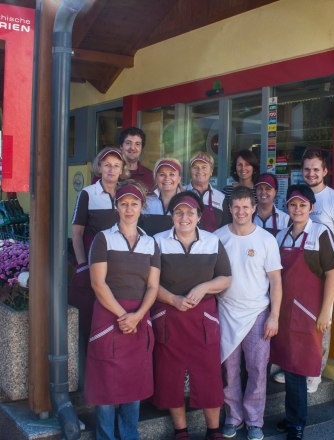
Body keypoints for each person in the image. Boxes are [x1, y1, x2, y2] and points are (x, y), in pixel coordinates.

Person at [152, 191, 233, 440]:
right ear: (172, 216)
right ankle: (181, 431)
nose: (184, 217)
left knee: (208, 374)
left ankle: (214, 430)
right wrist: (173, 299)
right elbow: (149, 283)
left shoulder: (211, 241)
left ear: (199, 216)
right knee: (170, 374)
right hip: (169, 315)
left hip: (202, 318)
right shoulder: (156, 242)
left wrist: (204, 287)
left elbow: (226, 278)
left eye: (190, 212)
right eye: (178, 212)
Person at [85, 181, 160, 440]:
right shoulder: (103, 239)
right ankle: (105, 436)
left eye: (134, 204)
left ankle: (129, 435)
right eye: (124, 204)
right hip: (109, 316)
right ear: (116, 206)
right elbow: (98, 283)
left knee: (134, 382)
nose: (129, 209)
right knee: (106, 383)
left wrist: (137, 316)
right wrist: (122, 315)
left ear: (142, 207)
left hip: (139, 317)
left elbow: (153, 286)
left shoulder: (151, 243)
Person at [276, 149, 334, 392]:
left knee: (321, 322)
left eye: (316, 169)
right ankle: (294, 365)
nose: (311, 173)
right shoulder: (297, 198)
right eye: (307, 169)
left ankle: (315, 372)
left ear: (325, 171)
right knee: (296, 322)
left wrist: (328, 271)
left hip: (321, 274)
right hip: (299, 277)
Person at [271, 184, 334, 440]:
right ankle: (291, 418)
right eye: (293, 204)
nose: (297, 209)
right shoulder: (281, 235)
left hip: (309, 314)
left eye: (302, 205)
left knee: (298, 369)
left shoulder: (321, 232)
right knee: (289, 366)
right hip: (285, 312)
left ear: (312, 207)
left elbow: (332, 273)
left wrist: (325, 312)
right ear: (287, 207)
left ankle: (297, 424)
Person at [214, 186, 282, 440]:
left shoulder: (266, 240)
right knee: (229, 370)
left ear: (254, 209)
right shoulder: (218, 237)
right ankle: (233, 417)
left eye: (246, 207)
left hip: (258, 314)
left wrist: (274, 316)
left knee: (257, 369)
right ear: (229, 208)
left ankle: (254, 420)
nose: (241, 212)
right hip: (227, 312)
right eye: (236, 207)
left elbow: (275, 281)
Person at [69, 146, 128, 350]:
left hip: (120, 266)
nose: (111, 170)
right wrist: (82, 264)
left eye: (116, 166)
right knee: (90, 316)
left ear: (122, 169)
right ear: (99, 167)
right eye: (107, 165)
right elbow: (77, 234)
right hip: (93, 265)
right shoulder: (88, 193)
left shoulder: (125, 193)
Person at [140, 158, 182, 236]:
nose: (167, 178)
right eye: (162, 174)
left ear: (179, 178)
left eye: (172, 174)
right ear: (156, 178)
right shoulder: (146, 202)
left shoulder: (187, 202)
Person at [186, 151, 226, 232]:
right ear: (190, 171)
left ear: (211, 171)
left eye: (204, 167)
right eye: (195, 167)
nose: (199, 171)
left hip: (212, 243)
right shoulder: (181, 193)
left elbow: (225, 227)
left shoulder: (221, 197)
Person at [222, 150, 259, 222]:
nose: (243, 168)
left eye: (247, 164)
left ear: (253, 168)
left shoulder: (258, 192)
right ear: (235, 167)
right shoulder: (227, 191)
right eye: (239, 165)